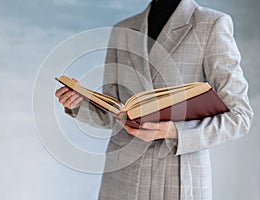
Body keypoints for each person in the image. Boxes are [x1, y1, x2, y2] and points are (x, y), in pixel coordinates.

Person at [55, 0, 254, 199]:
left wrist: (176, 132)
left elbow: (240, 116)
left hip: (178, 176)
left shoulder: (212, 24)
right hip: (122, 177)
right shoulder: (122, 30)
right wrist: (79, 104)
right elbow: (112, 114)